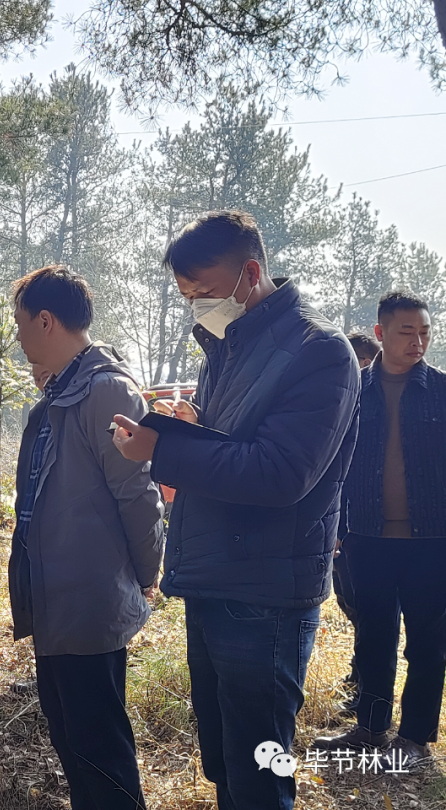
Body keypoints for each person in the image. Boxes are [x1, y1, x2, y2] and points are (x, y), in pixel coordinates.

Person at [112, 211, 360, 810]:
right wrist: (192, 431)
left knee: (257, 766)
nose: (198, 305)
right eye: (187, 296)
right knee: (224, 756)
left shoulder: (318, 353)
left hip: (266, 593)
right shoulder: (226, 347)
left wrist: (164, 450)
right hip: (213, 574)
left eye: (206, 291)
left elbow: (280, 473)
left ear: (251, 273)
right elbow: (236, 443)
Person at [9, 265, 164, 810]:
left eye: (20, 322)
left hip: (88, 601)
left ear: (46, 320)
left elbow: (137, 494)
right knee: (72, 741)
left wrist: (147, 574)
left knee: (100, 746)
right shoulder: (62, 392)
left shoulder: (106, 390)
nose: (18, 335)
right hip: (55, 601)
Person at [314, 291, 446, 763]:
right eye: (407, 332)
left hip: (433, 539)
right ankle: (369, 729)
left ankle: (414, 738)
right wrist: (331, 527)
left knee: (428, 642)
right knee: (374, 636)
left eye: (425, 332)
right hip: (364, 535)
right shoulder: (351, 391)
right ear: (380, 334)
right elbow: (329, 462)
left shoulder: (442, 391)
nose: (418, 342)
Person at [332, 330, 384, 706]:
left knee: (368, 611)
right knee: (351, 603)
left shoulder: (379, 405)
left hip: (368, 527)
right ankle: (361, 677)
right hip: (344, 525)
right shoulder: (341, 403)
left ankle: (367, 688)